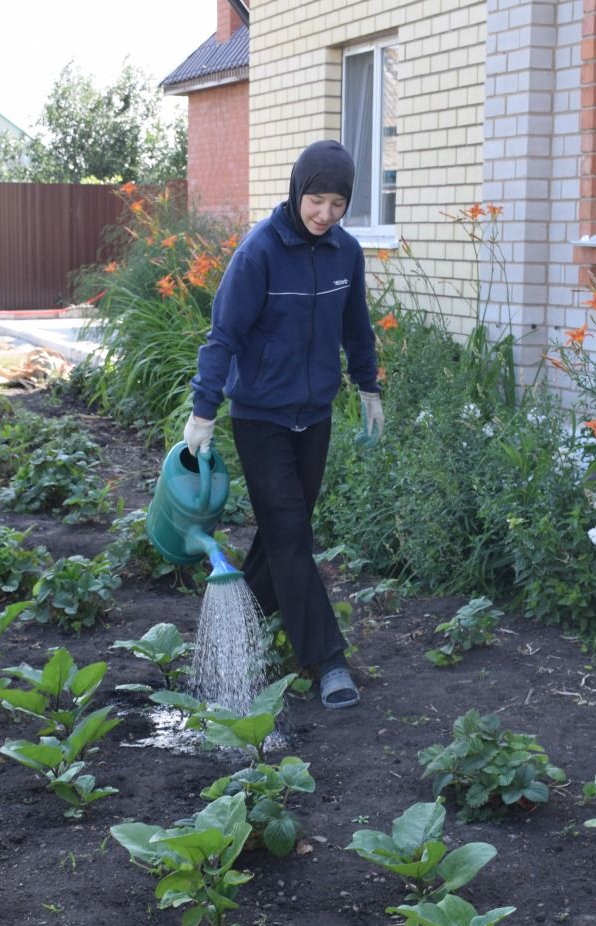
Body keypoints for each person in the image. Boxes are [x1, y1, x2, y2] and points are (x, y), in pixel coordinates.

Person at [182, 140, 385, 710]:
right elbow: (224, 335)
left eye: (338, 204)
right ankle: (327, 660)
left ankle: (236, 626)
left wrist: (369, 388)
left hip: (313, 415)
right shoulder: (260, 252)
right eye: (316, 200)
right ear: (298, 191)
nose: (325, 214)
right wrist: (204, 411)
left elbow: (357, 327)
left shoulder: (346, 253)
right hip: (261, 418)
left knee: (281, 535)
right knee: (293, 533)